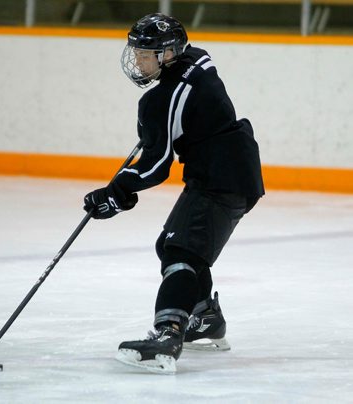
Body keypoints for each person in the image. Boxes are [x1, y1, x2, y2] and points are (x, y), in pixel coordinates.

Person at [83, 13, 264, 374]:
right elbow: (188, 102)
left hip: (220, 178)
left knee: (181, 251)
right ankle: (205, 317)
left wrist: (116, 194)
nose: (137, 60)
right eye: (136, 51)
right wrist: (158, 126)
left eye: (146, 53)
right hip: (232, 169)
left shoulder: (162, 100)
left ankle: (168, 334)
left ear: (168, 54)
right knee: (172, 245)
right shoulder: (197, 58)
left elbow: (157, 164)